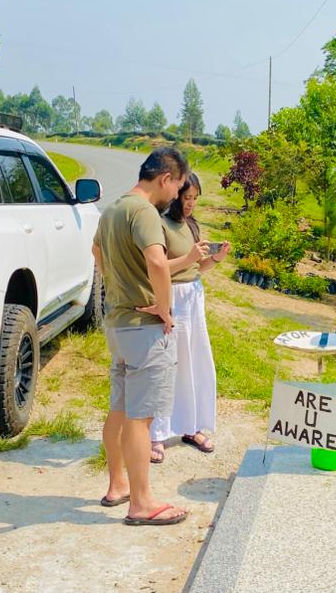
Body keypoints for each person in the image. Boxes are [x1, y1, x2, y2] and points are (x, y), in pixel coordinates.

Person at [92, 146, 190, 525]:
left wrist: (119, 288)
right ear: (166, 178)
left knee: (120, 408)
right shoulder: (145, 212)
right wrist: (163, 308)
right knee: (141, 417)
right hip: (143, 328)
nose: (176, 195)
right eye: (178, 186)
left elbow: (96, 251)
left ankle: (118, 485)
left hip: (117, 324)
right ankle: (142, 503)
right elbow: (156, 261)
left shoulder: (114, 209)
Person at [149, 173, 231, 463]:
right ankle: (156, 434)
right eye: (186, 198)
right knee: (168, 364)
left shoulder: (192, 225)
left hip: (194, 297)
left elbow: (197, 268)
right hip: (172, 296)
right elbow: (158, 269)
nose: (191, 204)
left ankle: (191, 426)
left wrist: (216, 258)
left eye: (195, 198)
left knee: (196, 362)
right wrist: (189, 258)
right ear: (175, 195)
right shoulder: (160, 225)